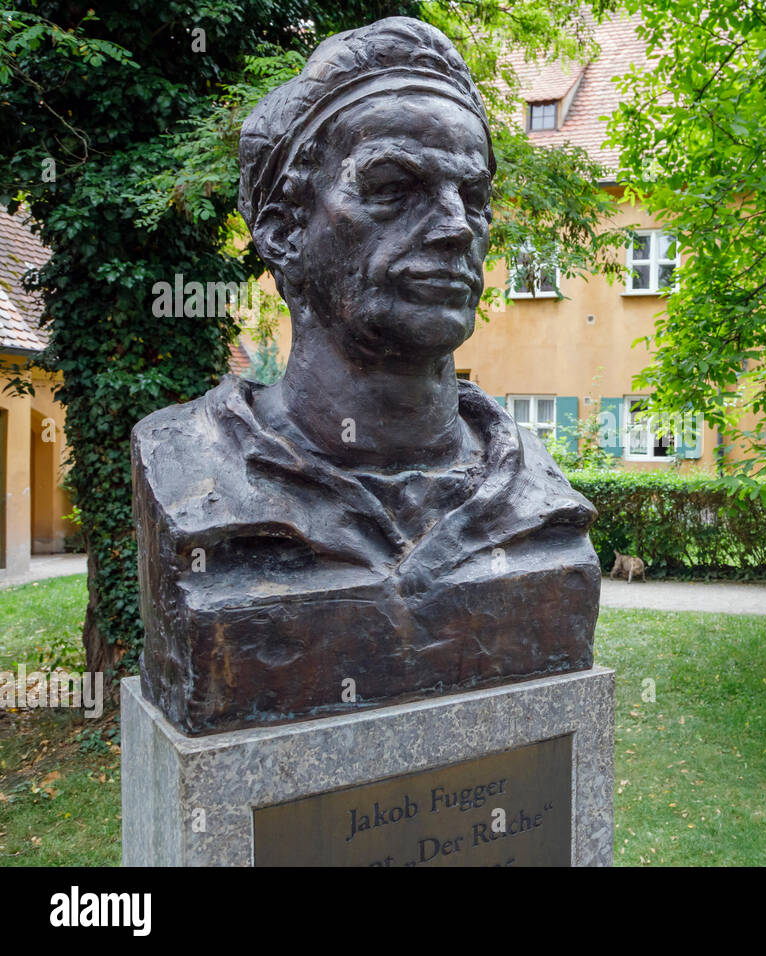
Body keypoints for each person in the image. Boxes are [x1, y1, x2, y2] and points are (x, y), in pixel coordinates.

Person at [132, 17, 599, 735]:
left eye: (472, 198)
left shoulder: (535, 502)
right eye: (393, 186)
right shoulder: (194, 475)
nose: (454, 228)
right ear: (284, 229)